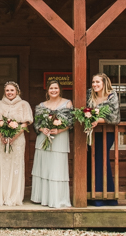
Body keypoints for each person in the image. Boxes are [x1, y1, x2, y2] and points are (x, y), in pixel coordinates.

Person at [0, 81, 33, 206]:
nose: (9, 93)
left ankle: (13, 196)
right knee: (1, 164)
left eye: (12, 90)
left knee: (15, 165)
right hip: (1, 140)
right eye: (7, 90)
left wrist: (14, 136)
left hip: (17, 140)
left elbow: (25, 123)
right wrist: (1, 136)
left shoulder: (24, 104)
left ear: (17, 91)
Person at [31, 79, 73, 208]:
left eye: (56, 88)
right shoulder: (41, 105)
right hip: (44, 138)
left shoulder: (67, 103)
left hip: (59, 138)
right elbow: (36, 123)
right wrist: (42, 129)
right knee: (44, 167)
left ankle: (57, 199)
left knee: (57, 167)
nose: (53, 90)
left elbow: (71, 122)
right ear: (47, 91)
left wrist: (59, 129)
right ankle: (42, 198)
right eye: (51, 88)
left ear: (60, 89)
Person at [86, 73, 120, 206]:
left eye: (97, 82)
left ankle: (105, 197)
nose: (95, 85)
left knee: (101, 160)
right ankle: (90, 194)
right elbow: (84, 110)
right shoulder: (89, 94)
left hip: (106, 133)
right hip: (90, 133)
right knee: (90, 160)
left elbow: (115, 117)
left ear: (104, 83)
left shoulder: (112, 95)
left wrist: (98, 120)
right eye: (93, 82)